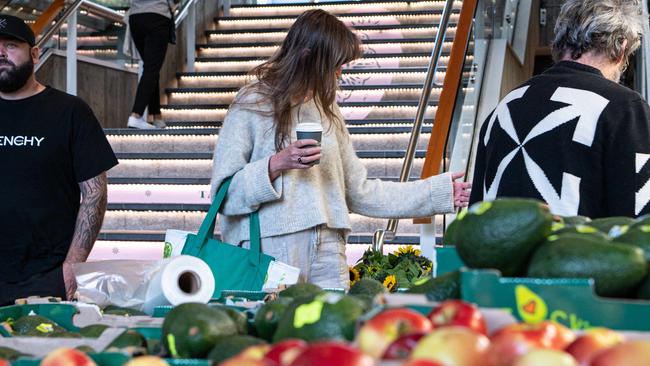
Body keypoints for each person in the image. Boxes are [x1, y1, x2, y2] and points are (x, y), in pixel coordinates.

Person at [210, 9, 471, 289]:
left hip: (329, 247)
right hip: (269, 248)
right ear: (308, 56)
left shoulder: (327, 109)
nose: (339, 73)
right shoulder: (253, 102)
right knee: (276, 330)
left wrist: (436, 192)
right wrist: (275, 164)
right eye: (335, 64)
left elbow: (360, 191)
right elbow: (223, 195)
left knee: (334, 330)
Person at [470, 0, 649, 218]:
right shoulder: (623, 108)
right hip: (575, 250)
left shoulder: (504, 106)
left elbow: (475, 215)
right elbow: (641, 218)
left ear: (560, 41)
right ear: (621, 46)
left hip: (498, 249)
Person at [0, 15, 118, 304]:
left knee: (45, 350)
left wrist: (72, 266)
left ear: (36, 53)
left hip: (47, 275)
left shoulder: (71, 112)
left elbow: (95, 194)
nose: (1, 53)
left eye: (11, 45)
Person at [126, 0, 177, 129]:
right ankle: (136, 115)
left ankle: (156, 116)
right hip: (157, 15)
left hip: (136, 18)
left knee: (151, 68)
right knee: (151, 68)